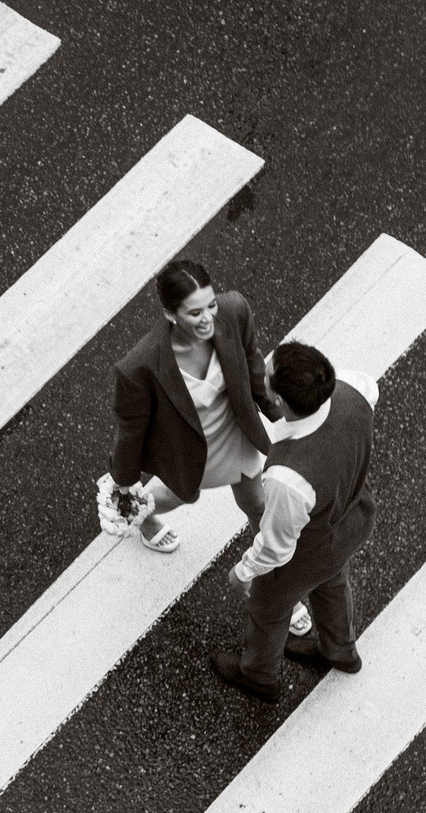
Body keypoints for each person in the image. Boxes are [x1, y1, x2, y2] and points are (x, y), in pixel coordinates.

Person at [208, 341, 378, 702]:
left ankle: (258, 675)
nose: (263, 366)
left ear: (280, 402)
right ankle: (339, 649)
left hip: (312, 548)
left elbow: (275, 546)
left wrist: (243, 572)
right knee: (332, 583)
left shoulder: (288, 478)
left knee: (267, 609)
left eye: (267, 372)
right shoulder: (355, 389)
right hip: (353, 517)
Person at [104, 259, 279, 554]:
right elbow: (130, 432)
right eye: (195, 312)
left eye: (211, 305)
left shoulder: (234, 310)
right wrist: (124, 481)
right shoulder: (139, 367)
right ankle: (137, 512)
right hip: (187, 449)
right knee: (178, 497)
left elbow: (252, 366)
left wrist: (285, 414)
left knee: (259, 506)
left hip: (235, 435)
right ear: (170, 314)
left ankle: (274, 581)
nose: (209, 318)